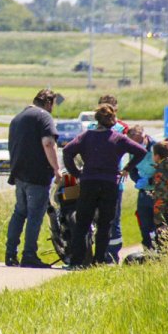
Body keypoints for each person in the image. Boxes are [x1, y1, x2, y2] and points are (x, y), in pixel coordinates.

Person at [62, 104, 146, 268]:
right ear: (113, 121)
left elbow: (67, 151)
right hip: (109, 183)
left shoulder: (86, 136)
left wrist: (76, 173)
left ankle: (77, 261)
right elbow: (141, 152)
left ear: (97, 120)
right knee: (105, 224)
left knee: (82, 222)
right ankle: (99, 260)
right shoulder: (118, 138)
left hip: (89, 182)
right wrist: (127, 168)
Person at [4, 89, 63, 268]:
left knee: (19, 213)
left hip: (19, 174)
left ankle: (10, 253)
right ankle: (29, 254)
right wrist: (57, 169)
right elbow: (48, 143)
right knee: (35, 215)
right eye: (52, 105)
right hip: (37, 174)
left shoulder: (17, 118)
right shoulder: (44, 117)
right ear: (48, 103)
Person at [93, 94, 129, 263]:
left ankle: (112, 254)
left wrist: (128, 169)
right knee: (95, 218)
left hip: (114, 180)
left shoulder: (122, 128)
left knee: (113, 218)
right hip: (94, 178)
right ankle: (98, 253)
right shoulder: (91, 127)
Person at [126, 125, 157, 250]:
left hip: (159, 191)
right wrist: (138, 180)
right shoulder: (133, 150)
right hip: (144, 191)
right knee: (144, 224)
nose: (138, 145)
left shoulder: (156, 147)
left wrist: (150, 180)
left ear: (144, 136)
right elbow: (132, 168)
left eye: (139, 141)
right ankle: (147, 250)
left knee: (158, 224)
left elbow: (165, 170)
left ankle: (160, 250)